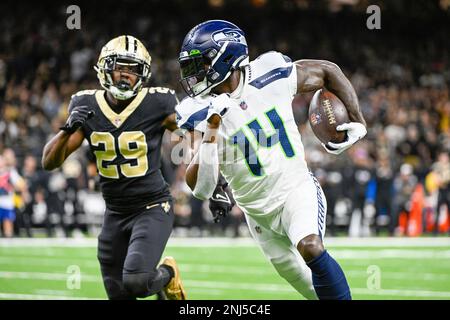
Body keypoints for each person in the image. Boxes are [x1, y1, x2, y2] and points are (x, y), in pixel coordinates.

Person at [176, 20, 367, 300]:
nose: (193, 75)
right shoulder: (197, 109)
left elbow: (328, 71)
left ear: (225, 56)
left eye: (200, 64)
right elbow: (201, 188)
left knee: (311, 247)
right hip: (257, 216)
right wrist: (213, 127)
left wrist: (358, 122)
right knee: (312, 291)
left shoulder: (270, 72)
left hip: (295, 190)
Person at [42, 35, 187, 300]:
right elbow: (49, 162)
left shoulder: (158, 103)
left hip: (152, 206)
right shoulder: (85, 105)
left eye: (133, 69)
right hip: (115, 212)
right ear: (104, 68)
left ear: (142, 74)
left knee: (137, 282)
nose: (126, 75)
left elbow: (193, 133)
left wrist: (212, 177)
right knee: (119, 295)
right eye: (121, 67)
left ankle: (168, 273)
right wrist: (67, 130)